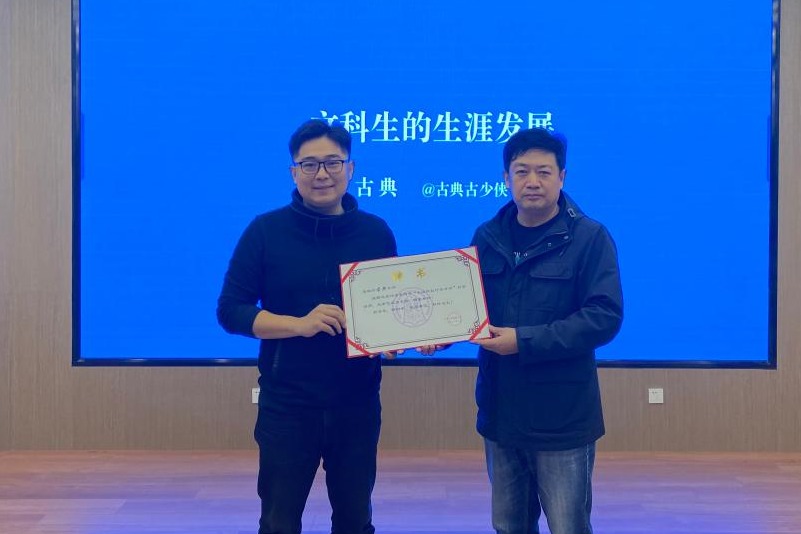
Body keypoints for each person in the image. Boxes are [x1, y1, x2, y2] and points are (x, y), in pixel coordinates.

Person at [216, 119, 397, 534]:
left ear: (351, 168)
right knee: (279, 521)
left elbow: (384, 310)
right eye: (309, 164)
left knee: (355, 520)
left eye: (333, 162)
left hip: (357, 404)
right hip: (287, 405)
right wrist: (298, 325)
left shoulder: (376, 233)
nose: (322, 174)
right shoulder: (265, 231)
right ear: (293, 172)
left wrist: (395, 336)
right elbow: (231, 310)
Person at [470, 128, 623, 534]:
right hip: (501, 413)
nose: (532, 181)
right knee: (509, 526)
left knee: (568, 526)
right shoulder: (487, 237)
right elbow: (468, 310)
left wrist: (523, 341)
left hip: (562, 418)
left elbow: (604, 316)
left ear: (562, 177)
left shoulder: (589, 238)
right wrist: (437, 334)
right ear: (506, 178)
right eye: (522, 171)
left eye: (544, 171)